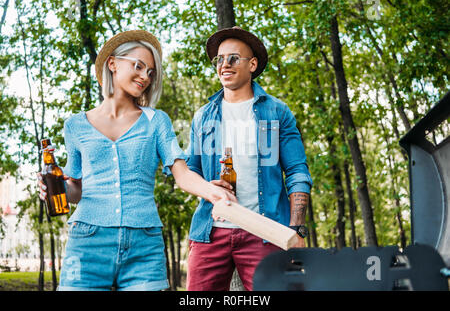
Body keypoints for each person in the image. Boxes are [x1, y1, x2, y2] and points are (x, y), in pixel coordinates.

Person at [37, 30, 235, 291]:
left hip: (144, 245)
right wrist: (55, 188)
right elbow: (76, 189)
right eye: (139, 66)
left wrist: (212, 192)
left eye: (150, 72)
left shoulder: (156, 121)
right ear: (113, 63)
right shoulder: (75, 125)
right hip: (87, 243)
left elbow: (182, 173)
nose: (145, 76)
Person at [186, 27, 313, 291]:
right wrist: (209, 189)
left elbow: (298, 172)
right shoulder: (203, 117)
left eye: (233, 58)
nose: (224, 65)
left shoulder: (277, 112)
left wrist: (297, 229)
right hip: (210, 231)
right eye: (219, 59)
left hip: (264, 232)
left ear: (252, 64)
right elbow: (190, 171)